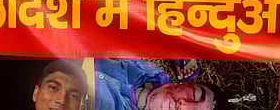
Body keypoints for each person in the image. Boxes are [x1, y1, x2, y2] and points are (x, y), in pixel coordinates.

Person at [95, 59, 228, 110]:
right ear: (187, 84)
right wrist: (174, 45)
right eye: (195, 94)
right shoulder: (151, 73)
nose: (184, 105)